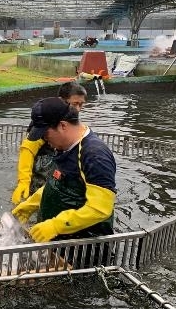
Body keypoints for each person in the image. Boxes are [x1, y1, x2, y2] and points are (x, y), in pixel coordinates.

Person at [12, 97, 116, 246]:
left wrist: (55, 226)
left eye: (45, 134)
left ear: (62, 126)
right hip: (57, 242)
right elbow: (58, 184)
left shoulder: (94, 155)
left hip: (84, 247)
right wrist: (31, 204)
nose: (44, 140)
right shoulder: (65, 147)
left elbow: (100, 208)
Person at [11, 81, 87, 204]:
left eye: (81, 104)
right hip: (42, 166)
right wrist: (23, 181)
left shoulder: (72, 122)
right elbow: (27, 149)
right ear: (62, 101)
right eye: (75, 104)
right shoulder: (47, 119)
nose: (78, 109)